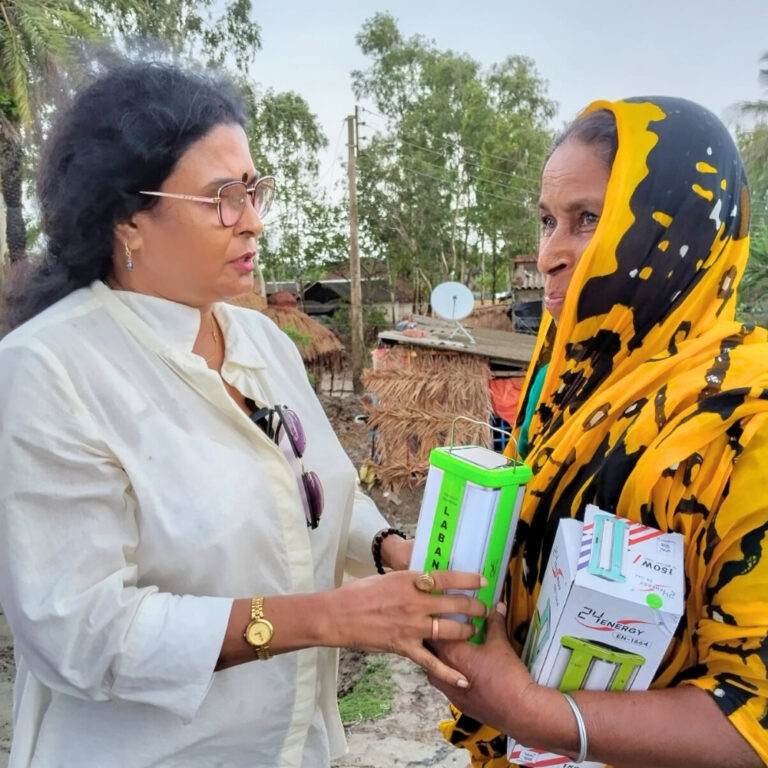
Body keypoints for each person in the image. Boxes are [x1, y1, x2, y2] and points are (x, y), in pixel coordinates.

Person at [0, 61, 487, 768]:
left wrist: (387, 549)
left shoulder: (259, 340)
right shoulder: (51, 369)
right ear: (127, 218)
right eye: (222, 198)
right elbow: (79, 631)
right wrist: (325, 617)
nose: (254, 220)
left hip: (292, 748)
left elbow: (311, 487)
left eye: (254, 190)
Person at [427, 96, 768, 767]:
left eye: (588, 219)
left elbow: (752, 716)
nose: (549, 254)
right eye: (547, 221)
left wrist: (529, 712)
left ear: (680, 231)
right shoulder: (573, 384)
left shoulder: (746, 416)